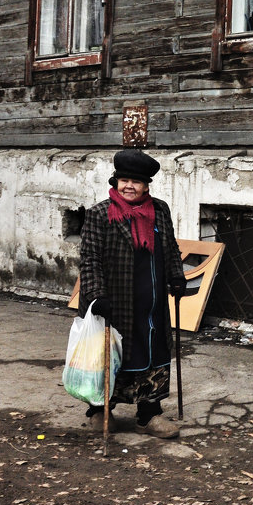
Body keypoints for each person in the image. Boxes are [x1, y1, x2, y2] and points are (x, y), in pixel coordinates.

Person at [78, 149, 187, 439]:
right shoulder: (100, 214)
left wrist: (177, 274)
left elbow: (171, 247)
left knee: (153, 353)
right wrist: (96, 295)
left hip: (151, 302)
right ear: (115, 182)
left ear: (146, 185)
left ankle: (148, 414)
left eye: (135, 182)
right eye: (123, 180)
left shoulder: (159, 210)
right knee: (110, 356)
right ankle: (100, 410)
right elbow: (89, 259)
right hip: (115, 301)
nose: (129, 186)